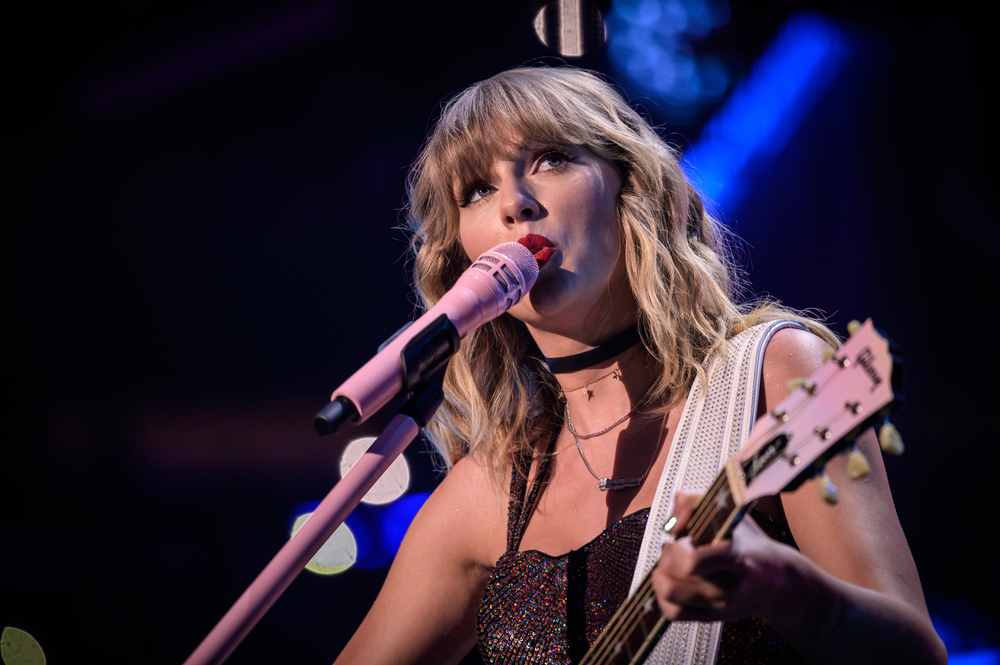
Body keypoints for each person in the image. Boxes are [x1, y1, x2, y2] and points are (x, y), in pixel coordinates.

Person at [333, 66, 945, 665]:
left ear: (633, 190)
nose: (515, 204)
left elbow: (916, 651)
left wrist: (793, 596)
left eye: (550, 159)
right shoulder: (492, 488)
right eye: (477, 191)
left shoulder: (772, 373)